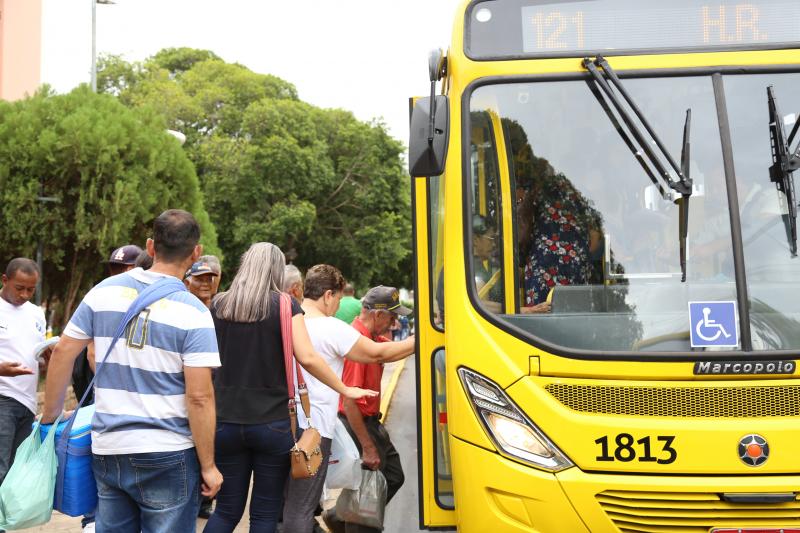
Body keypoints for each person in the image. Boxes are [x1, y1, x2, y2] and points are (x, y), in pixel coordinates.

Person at [43, 209, 223, 532]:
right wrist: (208, 465)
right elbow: (199, 397)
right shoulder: (195, 313)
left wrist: (51, 417)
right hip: (168, 453)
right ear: (195, 254)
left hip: (109, 447)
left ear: (151, 247)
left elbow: (62, 353)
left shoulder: (103, 291)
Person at [203, 243, 376, 533]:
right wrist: (345, 389)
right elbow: (307, 357)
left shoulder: (219, 304)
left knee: (227, 511)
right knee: (264, 514)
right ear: (276, 269)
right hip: (273, 425)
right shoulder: (284, 305)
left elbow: (207, 362)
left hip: (225, 423)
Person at [282, 266, 415, 533]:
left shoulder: (287, 323)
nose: (339, 306)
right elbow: (378, 354)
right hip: (316, 429)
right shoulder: (331, 328)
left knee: (284, 504)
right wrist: (425, 338)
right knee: (302, 508)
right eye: (339, 299)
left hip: (282, 423)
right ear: (328, 295)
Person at [323, 286, 413, 533]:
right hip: (358, 424)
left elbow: (389, 352)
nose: (394, 323)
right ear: (377, 315)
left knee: (392, 477)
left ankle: (339, 516)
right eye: (392, 317)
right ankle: (350, 522)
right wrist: (367, 446)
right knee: (366, 497)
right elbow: (350, 401)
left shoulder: (370, 338)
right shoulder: (356, 343)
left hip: (370, 422)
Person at [0, 258, 45, 491]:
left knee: (14, 473)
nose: (25, 294)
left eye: (31, 289)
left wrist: (48, 358)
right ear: (4, 280)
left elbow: (37, 354)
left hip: (27, 402)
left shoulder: (37, 313)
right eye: (20, 288)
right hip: (2, 398)